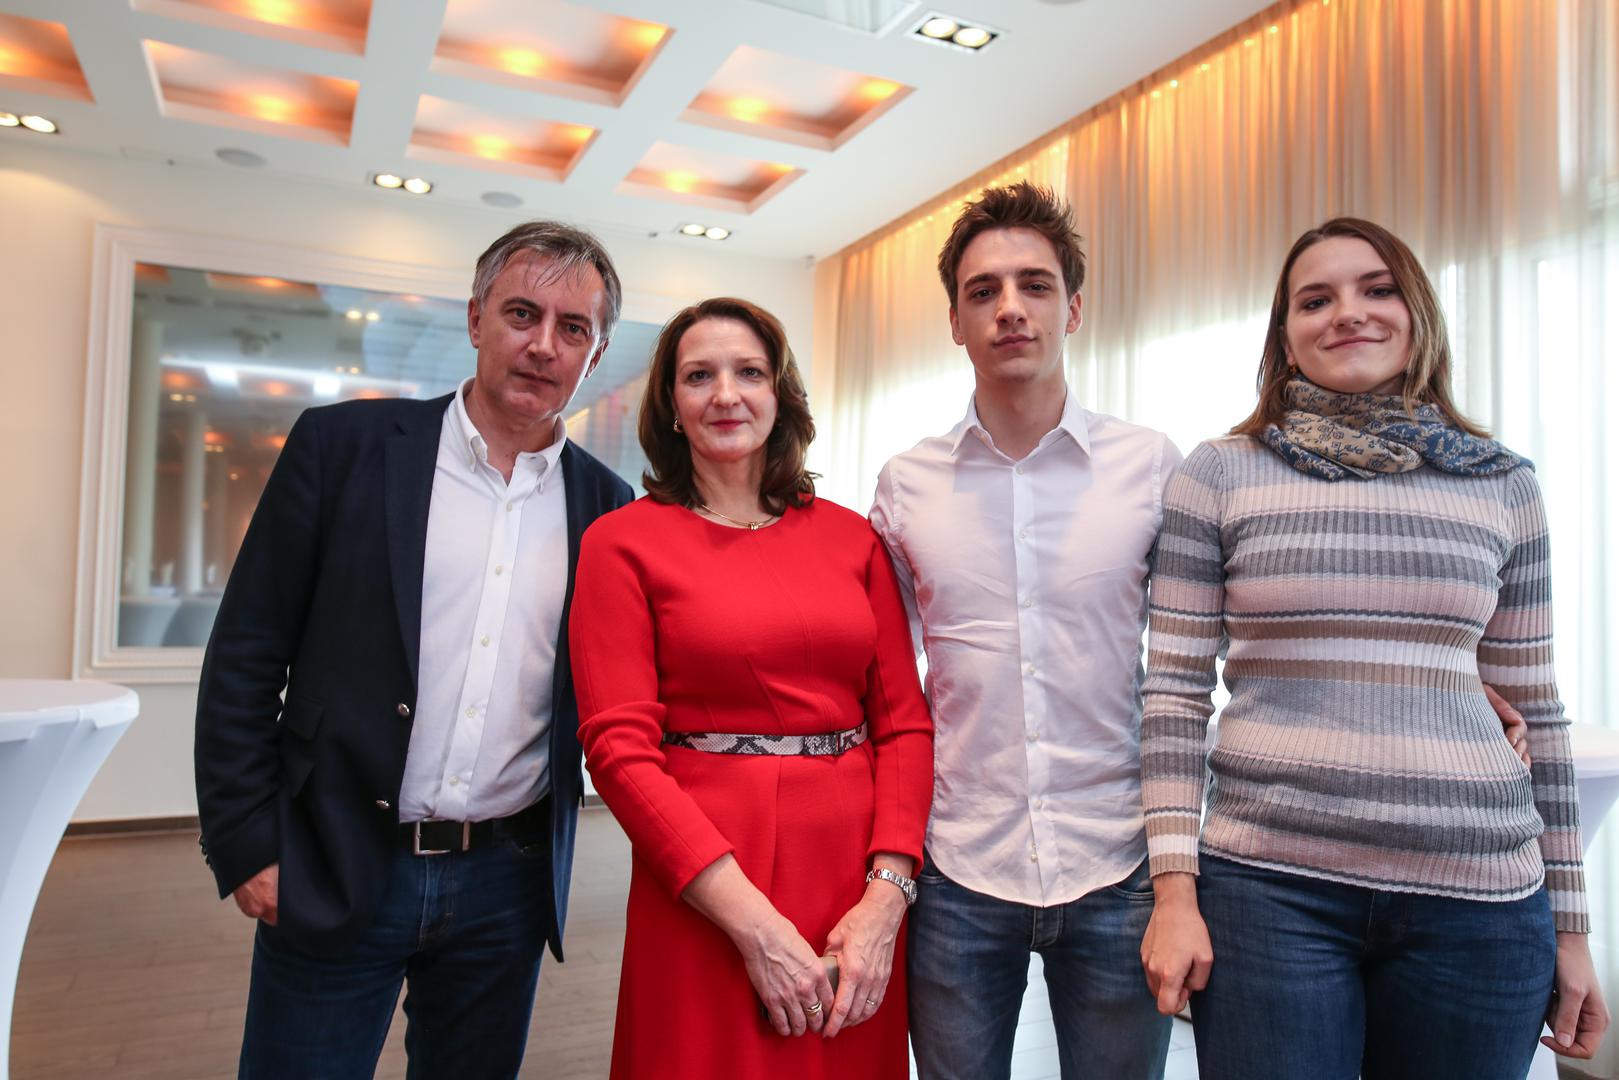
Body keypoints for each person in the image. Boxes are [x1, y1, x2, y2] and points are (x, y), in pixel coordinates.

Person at [1138, 216, 1609, 1079]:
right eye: (1314, 300)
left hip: (1478, 903)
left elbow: (1535, 709)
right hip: (1268, 893)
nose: (1347, 312)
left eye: (1376, 289)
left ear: (1417, 312)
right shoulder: (1219, 473)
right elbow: (1171, 693)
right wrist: (1173, 890)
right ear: (1284, 337)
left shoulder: (1503, 484)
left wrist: (1572, 932)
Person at [194, 220, 634, 1078]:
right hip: (336, 859)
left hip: (506, 886)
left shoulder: (609, 509)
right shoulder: (343, 449)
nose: (543, 345)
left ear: (596, 353)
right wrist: (247, 841)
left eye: (572, 328)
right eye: (521, 313)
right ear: (475, 319)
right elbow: (246, 654)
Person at [569, 297, 934, 1079]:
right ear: (670, 405)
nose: (726, 395)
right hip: (703, 877)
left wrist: (886, 897)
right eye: (698, 376)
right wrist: (752, 926)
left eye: (749, 373)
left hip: (852, 877)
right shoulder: (620, 543)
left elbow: (903, 725)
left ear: (780, 393)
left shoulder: (852, 538)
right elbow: (618, 750)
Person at [871, 182, 1180, 1079]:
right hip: (958, 866)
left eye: (1034, 285)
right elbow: (877, 679)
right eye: (983, 291)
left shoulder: (1148, 465)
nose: (1010, 308)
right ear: (955, 322)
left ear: (1072, 309)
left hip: (1119, 863)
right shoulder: (906, 485)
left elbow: (1216, 643)